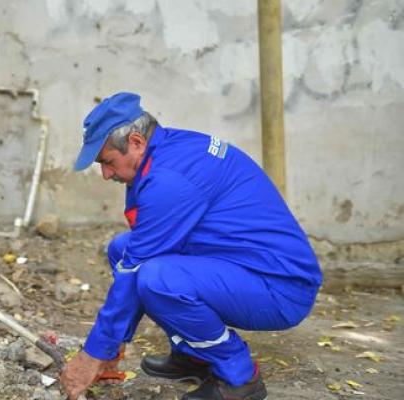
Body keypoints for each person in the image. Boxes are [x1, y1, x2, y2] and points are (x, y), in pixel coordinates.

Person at [59, 92, 322, 400]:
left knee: (157, 279)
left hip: (279, 287)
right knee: (122, 249)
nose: (105, 174)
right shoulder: (169, 150)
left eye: (107, 162)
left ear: (135, 142)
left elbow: (136, 269)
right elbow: (134, 254)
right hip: (245, 264)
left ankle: (239, 378)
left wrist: (94, 353)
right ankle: (195, 355)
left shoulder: (170, 180)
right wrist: (113, 340)